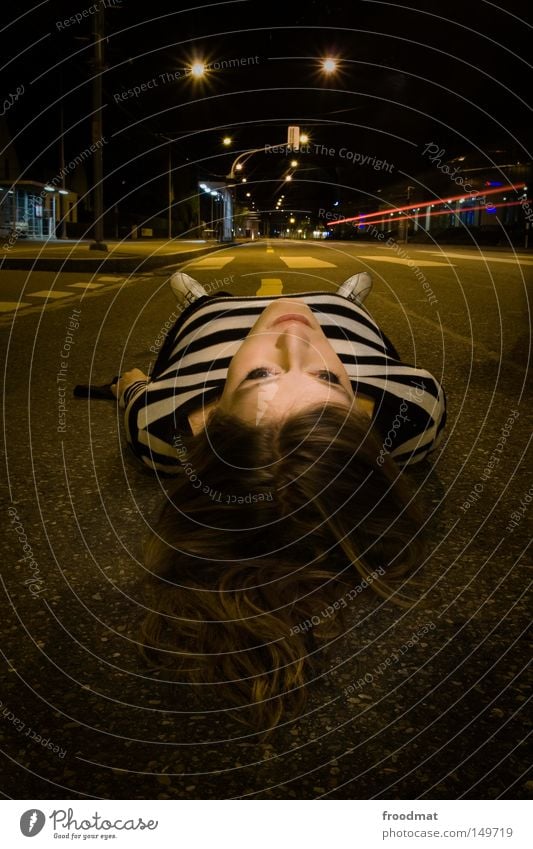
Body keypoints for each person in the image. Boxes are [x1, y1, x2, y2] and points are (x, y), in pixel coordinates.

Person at [112, 270, 446, 732]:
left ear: (211, 415)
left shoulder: (157, 428)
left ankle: (199, 301)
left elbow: (133, 389)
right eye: (329, 377)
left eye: (259, 374)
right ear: (361, 414)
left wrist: (129, 386)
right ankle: (344, 299)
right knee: (342, 309)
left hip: (214, 320)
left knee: (201, 310)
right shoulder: (416, 412)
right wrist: (339, 312)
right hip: (341, 315)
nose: (294, 337)